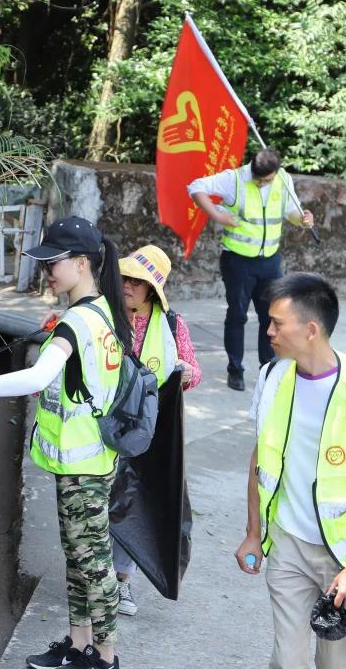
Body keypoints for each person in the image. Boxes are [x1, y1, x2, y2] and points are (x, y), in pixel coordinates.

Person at [0, 216, 127, 669]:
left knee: (94, 565)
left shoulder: (78, 321)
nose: (46, 273)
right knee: (79, 560)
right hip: (87, 461)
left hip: (84, 466)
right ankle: (79, 647)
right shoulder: (100, 313)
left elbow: (38, 375)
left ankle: (107, 658)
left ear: (81, 263)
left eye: (53, 263)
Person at [234, 272, 346, 669]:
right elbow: (260, 459)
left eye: (277, 323)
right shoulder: (272, 376)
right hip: (288, 545)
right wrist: (253, 534)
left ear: (311, 329)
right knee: (287, 660)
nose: (268, 331)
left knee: (337, 663)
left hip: (341, 555)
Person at [111, 244, 201, 617]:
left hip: (148, 432)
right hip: (103, 426)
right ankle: (94, 578)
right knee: (101, 504)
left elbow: (194, 373)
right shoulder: (105, 315)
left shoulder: (171, 324)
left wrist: (181, 371)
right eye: (124, 278)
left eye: (137, 280)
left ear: (152, 288)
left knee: (132, 504)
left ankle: (121, 584)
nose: (128, 285)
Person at [188, 148, 314, 392]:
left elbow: (292, 212)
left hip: (270, 261)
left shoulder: (284, 180)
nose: (259, 183)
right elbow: (195, 187)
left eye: (264, 180)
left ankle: (267, 368)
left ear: (275, 173)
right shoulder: (235, 179)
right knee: (237, 315)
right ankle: (235, 369)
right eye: (257, 178)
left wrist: (304, 218)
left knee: (272, 317)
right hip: (237, 261)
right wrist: (216, 214)